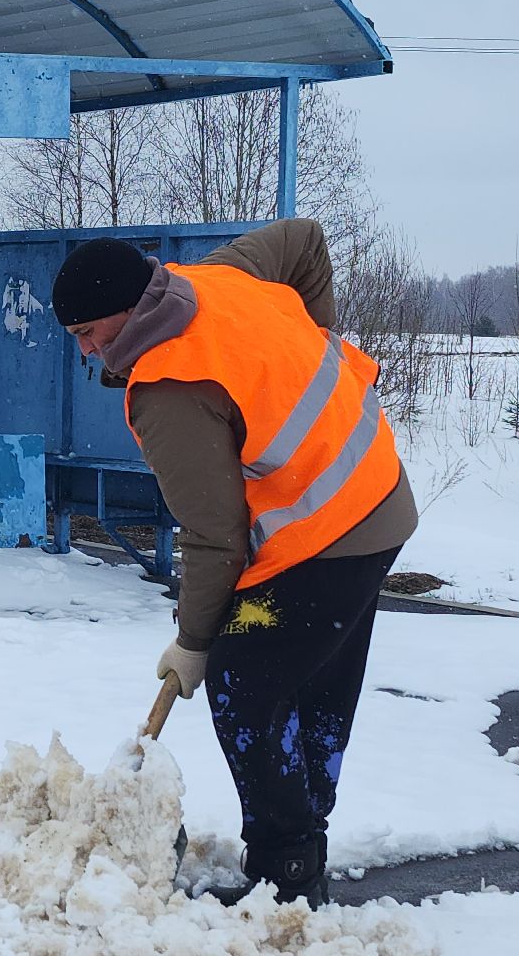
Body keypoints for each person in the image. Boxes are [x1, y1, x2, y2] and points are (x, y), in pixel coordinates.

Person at [51, 219, 418, 908]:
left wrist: (193, 641)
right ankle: (302, 840)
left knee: (241, 681)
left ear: (130, 309)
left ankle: (287, 871)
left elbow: (214, 539)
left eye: (88, 332)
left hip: (326, 540)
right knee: (308, 678)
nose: (89, 349)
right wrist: (313, 349)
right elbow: (304, 239)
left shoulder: (168, 387)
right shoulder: (215, 276)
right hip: (376, 494)